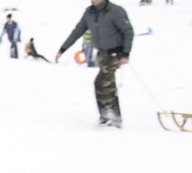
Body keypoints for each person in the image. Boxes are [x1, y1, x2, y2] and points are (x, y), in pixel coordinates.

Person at [55, 0, 134, 128]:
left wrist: (126, 53)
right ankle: (110, 117)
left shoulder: (115, 11)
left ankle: (109, 114)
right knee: (109, 85)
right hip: (102, 55)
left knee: (101, 82)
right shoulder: (89, 12)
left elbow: (128, 32)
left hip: (115, 53)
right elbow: (77, 31)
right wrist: (63, 49)